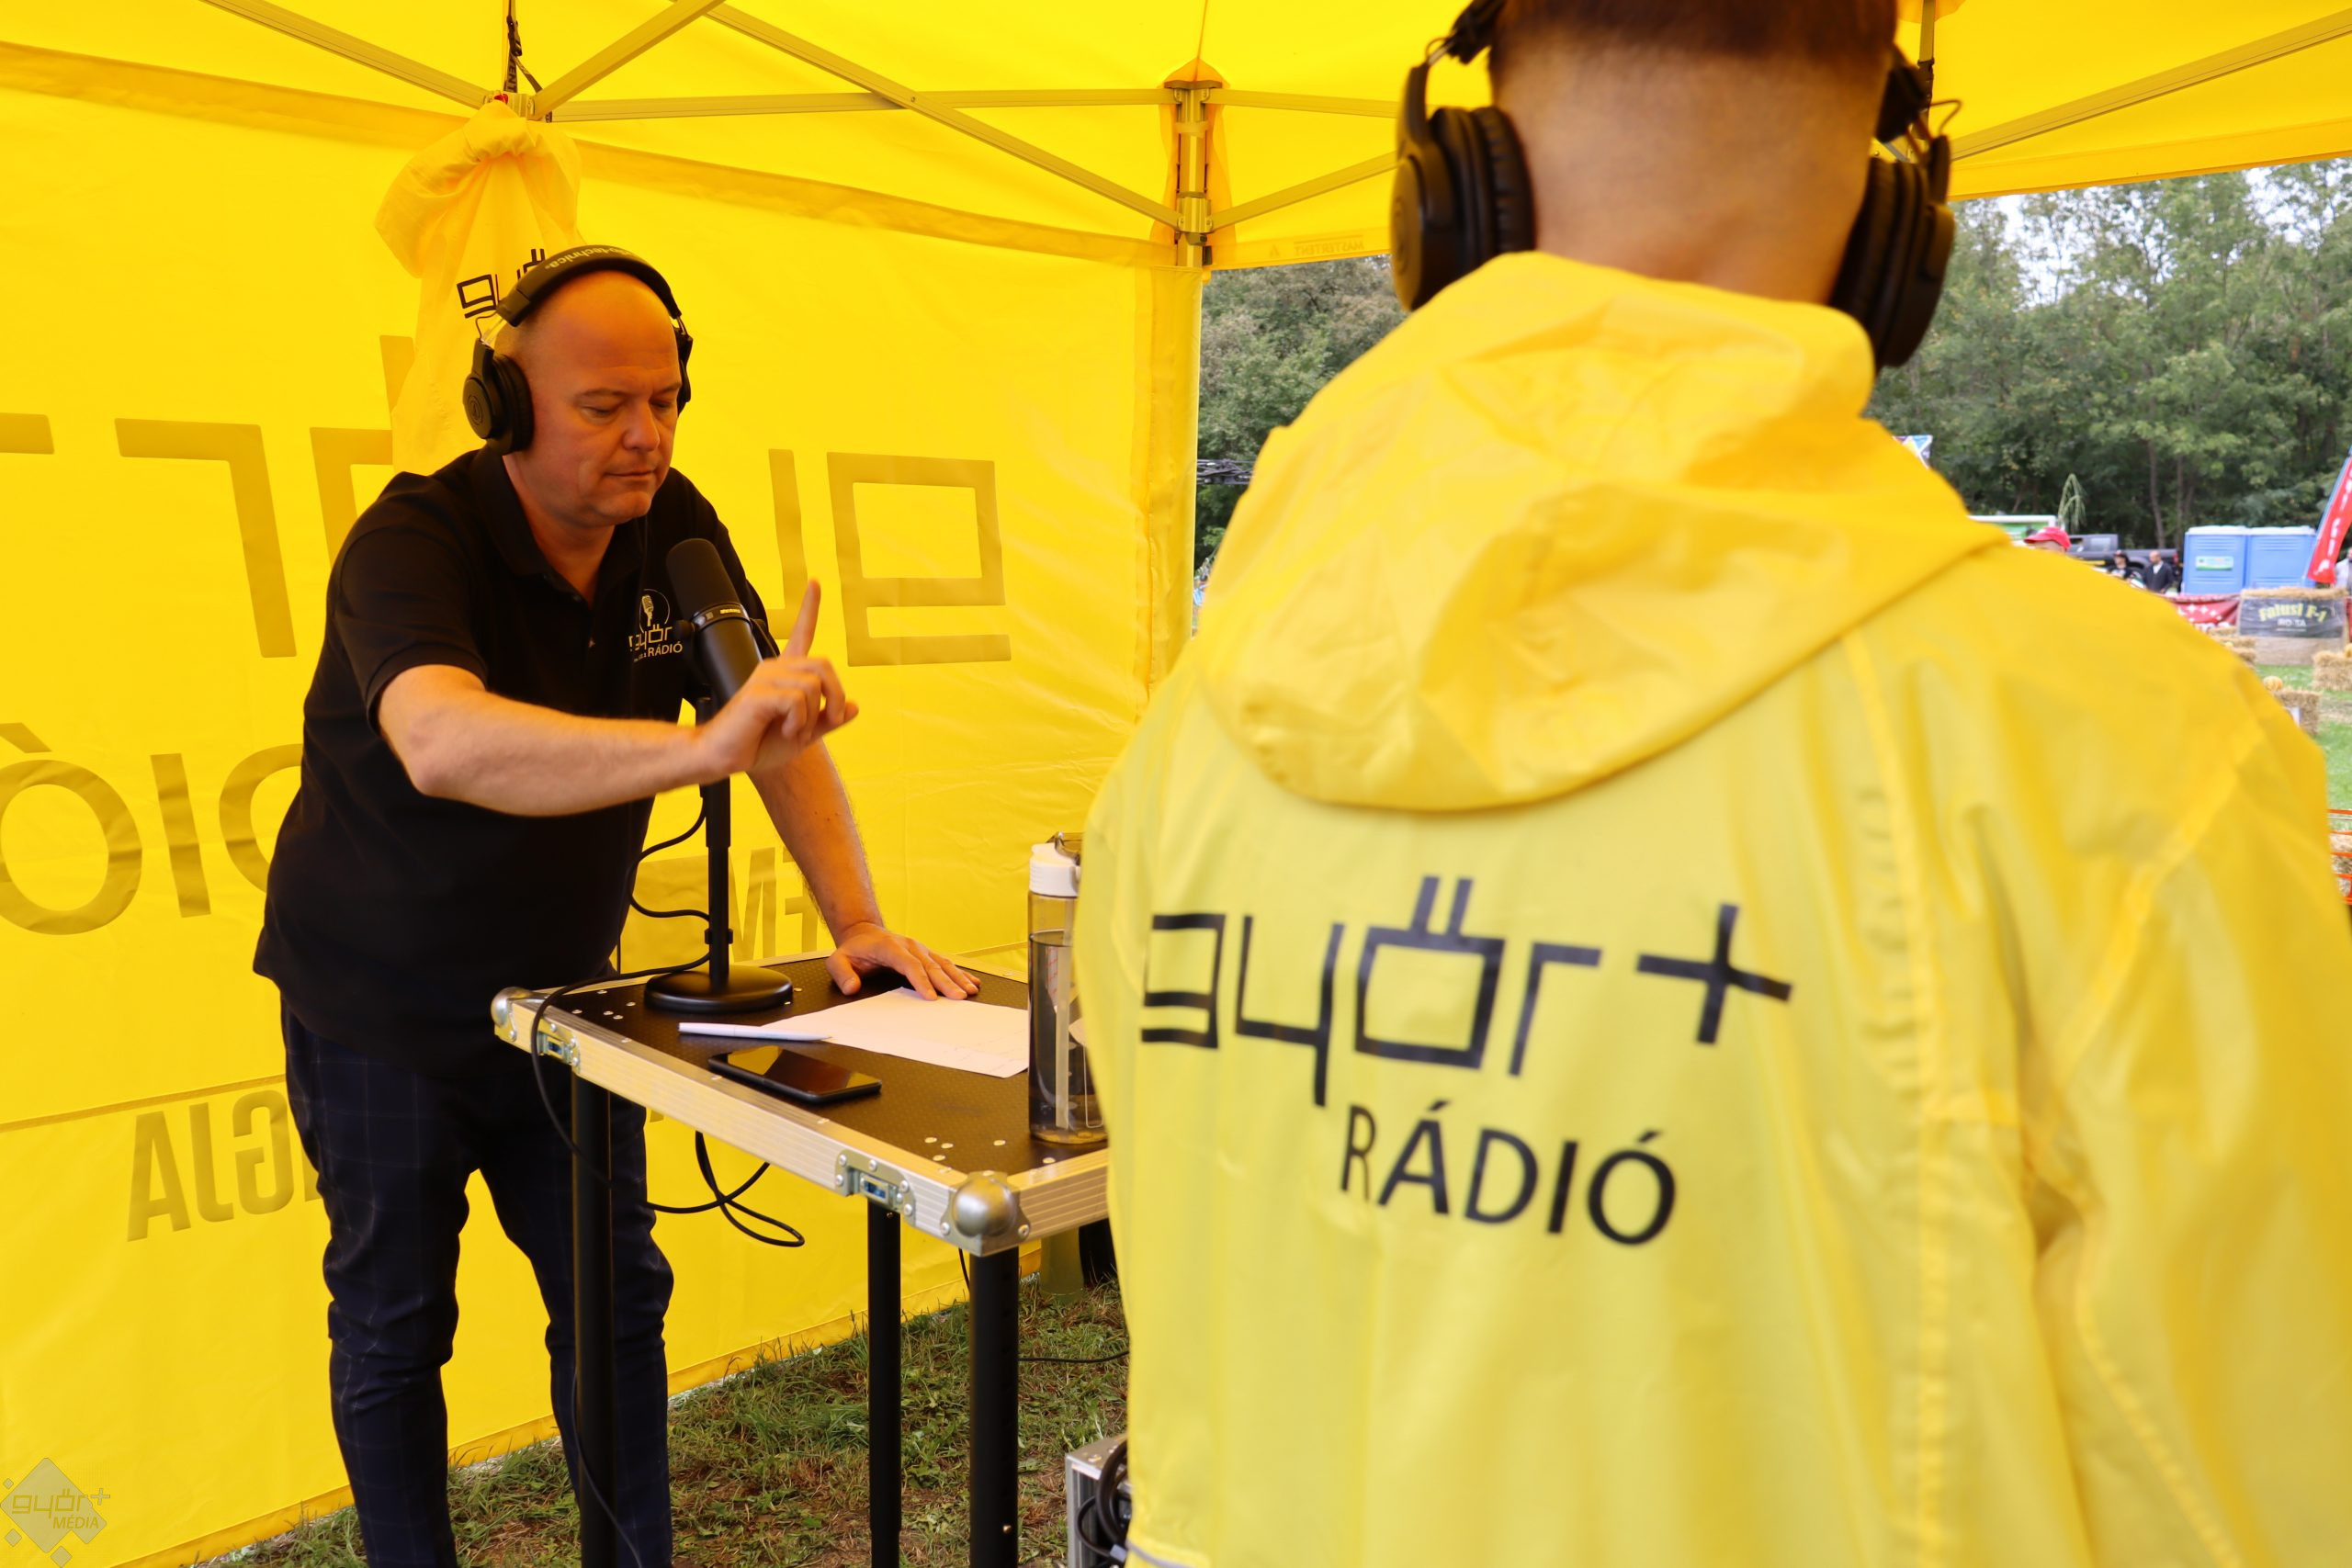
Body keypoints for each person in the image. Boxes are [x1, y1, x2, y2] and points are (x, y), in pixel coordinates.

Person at [1073, 5, 2352, 1567]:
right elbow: (2259, 1488)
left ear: (1443, 188)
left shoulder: (1185, 750)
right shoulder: (2127, 755)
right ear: (1901, 228)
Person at [256, 245, 977, 1568]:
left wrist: (857, 918)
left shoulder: (676, 529)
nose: (646, 434)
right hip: (377, 1008)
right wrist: (700, 749)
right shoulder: (412, 541)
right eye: (604, 406)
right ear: (505, 406)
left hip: (565, 1008)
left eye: (666, 399)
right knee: (395, 1323)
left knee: (614, 1304)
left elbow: (770, 727)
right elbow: (441, 740)